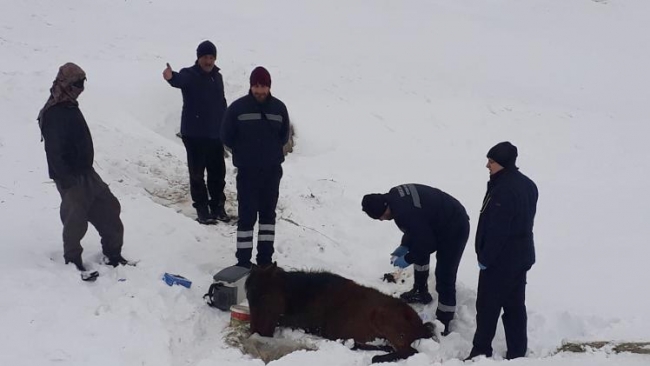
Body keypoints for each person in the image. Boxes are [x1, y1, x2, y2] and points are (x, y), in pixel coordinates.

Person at [38, 62, 129, 275]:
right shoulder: (53, 112)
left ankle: (113, 254)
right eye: (77, 84)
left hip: (87, 172)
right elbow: (53, 150)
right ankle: (72, 261)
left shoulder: (69, 105)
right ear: (66, 84)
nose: (80, 88)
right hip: (69, 176)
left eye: (82, 84)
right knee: (75, 219)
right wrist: (67, 181)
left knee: (109, 207)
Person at [362, 184, 469, 335]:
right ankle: (420, 290)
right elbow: (416, 228)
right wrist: (405, 245)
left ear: (384, 207)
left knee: (445, 275)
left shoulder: (403, 212)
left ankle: (444, 321)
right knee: (418, 249)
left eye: (381, 216)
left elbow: (426, 243)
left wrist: (408, 258)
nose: (382, 220)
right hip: (437, 221)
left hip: (454, 226)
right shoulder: (394, 198)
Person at [467, 141, 538, 360]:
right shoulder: (527, 184)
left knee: (487, 307)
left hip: (501, 260)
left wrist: (486, 257)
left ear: (504, 164)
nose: (487, 166)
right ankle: (517, 352)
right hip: (522, 256)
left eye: (491, 162)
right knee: (515, 306)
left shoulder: (504, 190)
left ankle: (480, 351)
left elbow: (499, 229)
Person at [221, 66, 291, 268]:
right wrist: (244, 153)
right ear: (251, 86)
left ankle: (265, 260)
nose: (260, 91)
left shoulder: (279, 108)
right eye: (256, 86)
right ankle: (243, 261)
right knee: (247, 216)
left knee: (268, 216)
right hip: (247, 171)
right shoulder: (237, 108)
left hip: (271, 172)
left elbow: (283, 136)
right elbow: (226, 135)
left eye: (264, 86)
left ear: (269, 87)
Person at [163, 40, 229, 224]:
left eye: (211, 57)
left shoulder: (218, 77)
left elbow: (221, 102)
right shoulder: (190, 74)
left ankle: (218, 208)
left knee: (218, 174)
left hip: (215, 134)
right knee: (197, 175)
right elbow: (179, 80)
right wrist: (170, 77)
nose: (208, 61)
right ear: (198, 58)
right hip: (194, 135)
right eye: (205, 57)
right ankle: (202, 210)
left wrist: (226, 124)